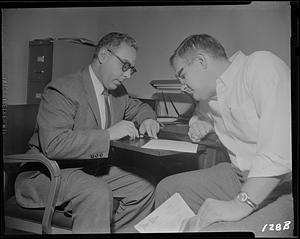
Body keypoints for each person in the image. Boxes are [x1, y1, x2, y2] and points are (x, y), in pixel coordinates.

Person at [14, 32, 160, 233]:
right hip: (48, 173)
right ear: (103, 55)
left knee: (144, 188)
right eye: (125, 65)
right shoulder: (62, 89)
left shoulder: (119, 93)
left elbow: (140, 108)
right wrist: (108, 135)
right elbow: (54, 144)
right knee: (96, 192)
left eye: (131, 69)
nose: (127, 74)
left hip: (89, 169)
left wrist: (148, 119)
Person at [154, 34, 293, 237]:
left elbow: (280, 150)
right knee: (167, 189)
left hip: (284, 185)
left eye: (182, 75)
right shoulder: (209, 93)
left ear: (201, 61)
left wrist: (239, 205)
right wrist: (200, 122)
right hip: (238, 176)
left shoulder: (260, 65)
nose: (182, 85)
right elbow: (201, 113)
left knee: (222, 231)